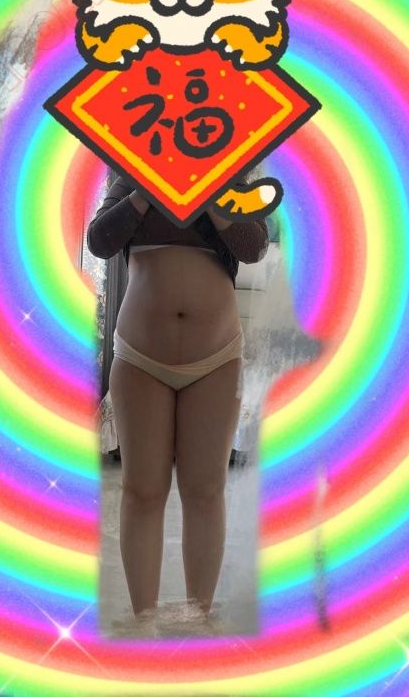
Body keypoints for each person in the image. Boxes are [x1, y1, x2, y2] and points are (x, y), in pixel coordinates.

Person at [87, 168, 269, 628]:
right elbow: (100, 241)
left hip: (217, 357)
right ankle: (143, 619)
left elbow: (253, 246)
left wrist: (207, 194)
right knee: (142, 490)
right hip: (140, 356)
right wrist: (145, 193)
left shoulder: (231, 178)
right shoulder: (130, 175)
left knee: (205, 490)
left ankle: (197, 616)